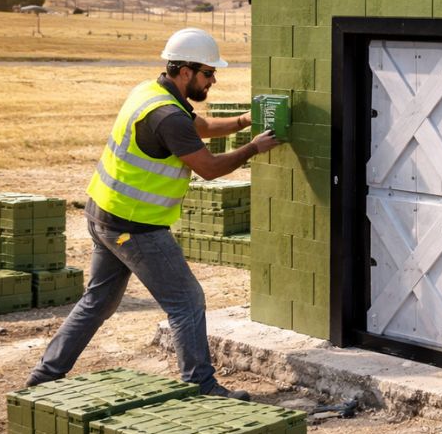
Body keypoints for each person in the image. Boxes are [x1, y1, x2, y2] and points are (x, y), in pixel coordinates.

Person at [26, 28, 281, 397]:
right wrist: (253, 149)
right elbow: (208, 168)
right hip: (134, 227)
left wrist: (243, 122)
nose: (213, 80)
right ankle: (201, 385)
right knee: (187, 301)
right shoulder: (168, 117)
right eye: (208, 73)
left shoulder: (150, 93)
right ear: (185, 71)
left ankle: (45, 375)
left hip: (104, 214)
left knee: (97, 302)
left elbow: (202, 127)